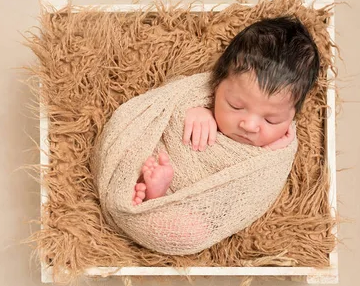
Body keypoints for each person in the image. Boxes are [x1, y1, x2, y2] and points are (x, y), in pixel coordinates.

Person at [132, 16, 320, 205]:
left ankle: (157, 202)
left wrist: (265, 154)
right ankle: (154, 192)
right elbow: (168, 99)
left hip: (205, 206)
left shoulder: (281, 147)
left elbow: (251, 194)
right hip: (174, 163)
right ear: (217, 83)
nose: (250, 126)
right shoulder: (202, 93)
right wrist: (193, 110)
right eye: (236, 106)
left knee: (196, 226)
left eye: (271, 120)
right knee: (143, 161)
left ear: (293, 115)